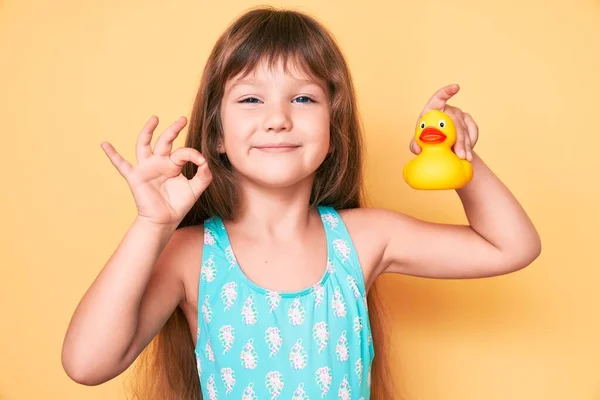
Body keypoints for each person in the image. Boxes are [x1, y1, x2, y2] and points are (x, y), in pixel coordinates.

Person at [61, 7, 541, 400]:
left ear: (334, 128)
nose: (277, 119)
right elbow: (86, 364)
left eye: (304, 99)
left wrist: (455, 153)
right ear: (217, 134)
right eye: (250, 99)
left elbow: (510, 246)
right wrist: (151, 224)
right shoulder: (190, 254)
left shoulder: (364, 238)